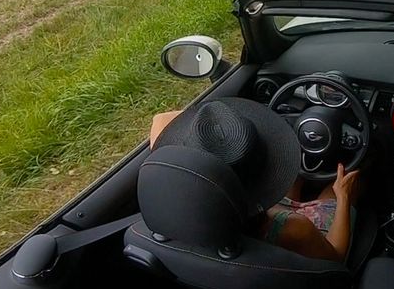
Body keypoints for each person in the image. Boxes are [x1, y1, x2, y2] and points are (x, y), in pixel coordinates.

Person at [150, 102, 360, 262]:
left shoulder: (182, 211)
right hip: (290, 229)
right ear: (260, 180)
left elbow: (161, 119)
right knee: (346, 182)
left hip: (257, 215)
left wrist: (211, 131)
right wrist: (343, 196)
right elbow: (335, 254)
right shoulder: (296, 229)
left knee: (297, 175)